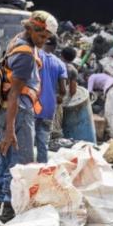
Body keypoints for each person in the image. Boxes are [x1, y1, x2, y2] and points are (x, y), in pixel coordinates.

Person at [0, 10, 56, 226]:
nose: (44, 41)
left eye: (47, 38)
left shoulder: (17, 40)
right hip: (17, 113)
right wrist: (10, 130)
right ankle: (8, 214)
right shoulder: (25, 54)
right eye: (41, 36)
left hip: (6, 112)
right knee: (19, 165)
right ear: (31, 29)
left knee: (4, 160)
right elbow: (15, 93)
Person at [34, 34, 67, 163]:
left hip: (33, 104)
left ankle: (25, 169)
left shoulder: (35, 57)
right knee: (43, 141)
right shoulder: (59, 64)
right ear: (55, 46)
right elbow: (63, 90)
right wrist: (59, 97)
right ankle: (41, 168)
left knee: (28, 139)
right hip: (49, 107)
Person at [87, 72, 113, 140]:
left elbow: (89, 92)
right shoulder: (101, 76)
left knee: (110, 114)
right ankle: (112, 134)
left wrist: (88, 106)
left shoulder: (91, 77)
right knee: (112, 114)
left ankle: (111, 136)